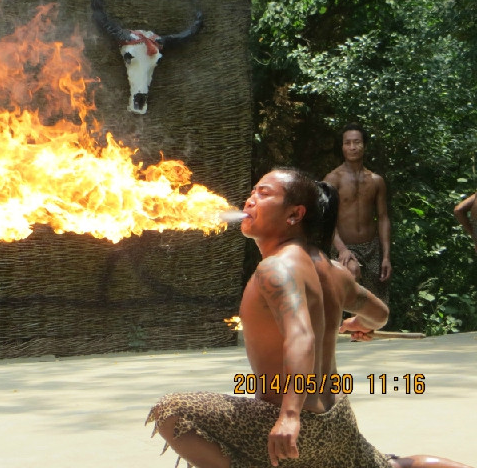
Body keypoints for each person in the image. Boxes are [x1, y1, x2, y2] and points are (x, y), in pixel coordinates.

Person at [145, 168, 473, 468]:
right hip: (337, 420)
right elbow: (380, 314)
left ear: (295, 215)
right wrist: (362, 324)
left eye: (263, 193)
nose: (250, 199)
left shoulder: (277, 268)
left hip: (300, 431)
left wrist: (289, 415)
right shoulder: (334, 273)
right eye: (253, 191)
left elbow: (301, 336)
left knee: (172, 411)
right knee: (390, 466)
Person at [323, 123, 392, 304]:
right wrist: (342, 249)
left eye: (357, 142)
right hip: (344, 245)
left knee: (377, 301)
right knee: (350, 274)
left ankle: (368, 330)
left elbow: (383, 218)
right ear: (342, 147)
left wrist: (386, 256)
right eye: (348, 143)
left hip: (372, 247)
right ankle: (341, 327)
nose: (352, 147)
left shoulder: (376, 181)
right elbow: (326, 218)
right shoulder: (332, 179)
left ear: (364, 146)